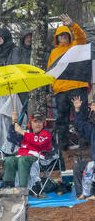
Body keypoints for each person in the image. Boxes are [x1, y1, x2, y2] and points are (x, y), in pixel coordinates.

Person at [47, 13, 88, 151]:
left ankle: (85, 145)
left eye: (65, 35)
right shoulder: (53, 53)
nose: (63, 37)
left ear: (69, 36)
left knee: (80, 117)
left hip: (77, 88)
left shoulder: (77, 45)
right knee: (62, 120)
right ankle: (63, 148)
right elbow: (50, 72)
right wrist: (54, 87)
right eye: (60, 35)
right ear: (57, 38)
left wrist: (72, 24)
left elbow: (82, 37)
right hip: (61, 92)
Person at [2, 111, 52, 188]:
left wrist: (23, 132)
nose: (38, 124)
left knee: (23, 160)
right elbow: (11, 138)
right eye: (35, 121)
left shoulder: (46, 133)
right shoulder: (27, 133)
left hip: (39, 158)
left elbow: (38, 142)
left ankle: (22, 188)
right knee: (9, 160)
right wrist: (13, 124)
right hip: (22, 156)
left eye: (40, 122)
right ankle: (8, 187)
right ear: (30, 124)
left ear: (43, 123)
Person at [71, 96, 95, 200]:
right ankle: (82, 194)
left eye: (94, 104)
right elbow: (81, 125)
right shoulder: (93, 128)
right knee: (78, 166)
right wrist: (77, 110)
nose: (92, 105)